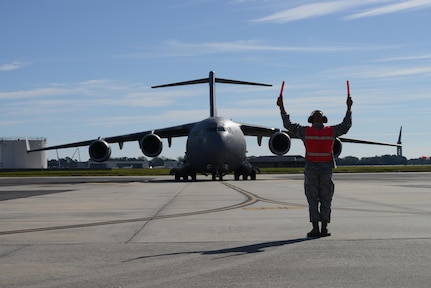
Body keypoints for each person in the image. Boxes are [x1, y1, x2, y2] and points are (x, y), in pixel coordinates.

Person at [277, 89, 353, 238]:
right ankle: (324, 227)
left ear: (310, 120)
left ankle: (315, 228)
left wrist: (281, 107)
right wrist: (349, 108)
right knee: (326, 199)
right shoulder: (331, 131)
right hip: (326, 170)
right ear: (324, 120)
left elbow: (288, 125)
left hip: (311, 170)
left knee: (313, 199)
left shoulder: (306, 131)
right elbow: (346, 125)